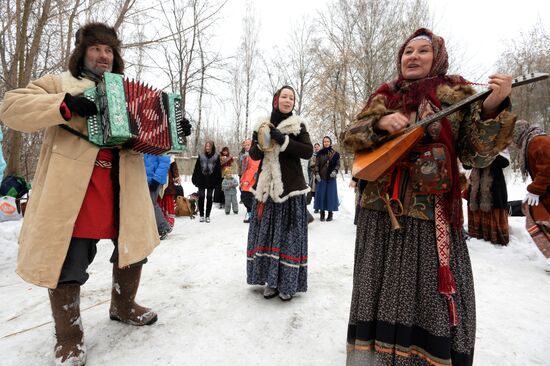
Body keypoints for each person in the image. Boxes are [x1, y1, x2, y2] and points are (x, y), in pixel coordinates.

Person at [343, 28, 515, 365]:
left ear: (437, 57)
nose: (413, 57)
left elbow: (476, 155)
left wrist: (493, 106)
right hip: (379, 215)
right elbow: (350, 137)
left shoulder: (457, 95)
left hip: (429, 216)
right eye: (408, 51)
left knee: (428, 297)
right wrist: (378, 125)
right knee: (374, 289)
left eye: (423, 51)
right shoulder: (383, 96)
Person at [0, 23, 160, 366]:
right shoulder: (61, 83)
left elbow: (150, 130)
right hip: (77, 189)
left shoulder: (127, 92)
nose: (103, 55)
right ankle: (69, 337)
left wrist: (169, 125)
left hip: (123, 185)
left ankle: (123, 305)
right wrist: (64, 104)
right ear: (82, 52)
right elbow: (11, 107)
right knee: (68, 260)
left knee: (132, 249)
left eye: (109, 50)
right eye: (96, 49)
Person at [246, 85, 313, 301]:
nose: (288, 100)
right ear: (276, 100)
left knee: (288, 237)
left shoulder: (298, 125)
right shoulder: (263, 124)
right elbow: (255, 156)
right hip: (267, 188)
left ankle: (287, 283)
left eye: (291, 98)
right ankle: (270, 281)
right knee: (267, 235)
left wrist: (283, 139)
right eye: (284, 96)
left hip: (290, 189)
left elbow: (307, 151)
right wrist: (259, 139)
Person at [511, 120, 550, 273]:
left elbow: (548, 167)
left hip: (545, 190)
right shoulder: (533, 141)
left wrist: (535, 189)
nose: (513, 143)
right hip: (546, 191)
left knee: (541, 220)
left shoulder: (538, 141)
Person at [464, 151, 510, 245]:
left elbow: (505, 163)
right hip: (476, 184)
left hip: (494, 184)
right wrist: (473, 155)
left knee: (494, 207)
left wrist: (489, 153)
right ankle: (477, 233)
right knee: (475, 205)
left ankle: (494, 237)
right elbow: (466, 166)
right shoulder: (473, 147)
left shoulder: (498, 146)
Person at [192, 140, 222, 223]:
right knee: (201, 197)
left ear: (212, 147)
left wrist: (218, 180)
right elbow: (197, 168)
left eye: (209, 146)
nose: (207, 148)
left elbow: (218, 169)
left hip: (211, 179)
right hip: (202, 179)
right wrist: (194, 178)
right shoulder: (201, 156)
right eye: (206, 146)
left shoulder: (216, 156)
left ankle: (207, 215)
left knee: (209, 197)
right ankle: (201, 215)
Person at [144, 153, 172, 239]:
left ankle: (163, 227)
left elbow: (165, 162)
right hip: (145, 179)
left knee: (152, 203)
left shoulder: (159, 143)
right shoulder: (143, 143)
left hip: (154, 180)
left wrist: (156, 179)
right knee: (146, 204)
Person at [313, 136, 340, 221]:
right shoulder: (320, 153)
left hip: (331, 178)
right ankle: (322, 213)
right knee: (321, 196)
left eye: (328, 141)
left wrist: (335, 171)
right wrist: (316, 173)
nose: (326, 143)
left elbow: (338, 164)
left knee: (330, 196)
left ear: (330, 142)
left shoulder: (335, 153)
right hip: (321, 177)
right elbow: (316, 165)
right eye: (325, 141)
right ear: (323, 143)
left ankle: (330, 214)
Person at [158, 155, 182, 228]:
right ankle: (160, 222)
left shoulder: (171, 156)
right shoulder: (156, 153)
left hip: (169, 184)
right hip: (158, 182)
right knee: (159, 203)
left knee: (167, 203)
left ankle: (169, 223)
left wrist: (176, 177)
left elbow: (174, 168)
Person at [240, 138, 260, 223]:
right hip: (246, 180)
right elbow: (244, 169)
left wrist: (247, 180)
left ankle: (254, 215)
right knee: (245, 198)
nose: (246, 146)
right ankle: (251, 215)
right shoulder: (246, 155)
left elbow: (253, 168)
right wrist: (242, 179)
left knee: (247, 198)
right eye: (245, 145)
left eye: (248, 145)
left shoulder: (254, 154)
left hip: (252, 181)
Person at [308, 142, 320, 212]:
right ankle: (316, 207)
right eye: (315, 147)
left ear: (319, 147)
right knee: (314, 192)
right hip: (313, 176)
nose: (316, 148)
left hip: (321, 176)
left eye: (317, 146)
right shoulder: (311, 156)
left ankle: (319, 207)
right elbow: (310, 166)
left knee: (319, 192)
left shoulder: (322, 155)